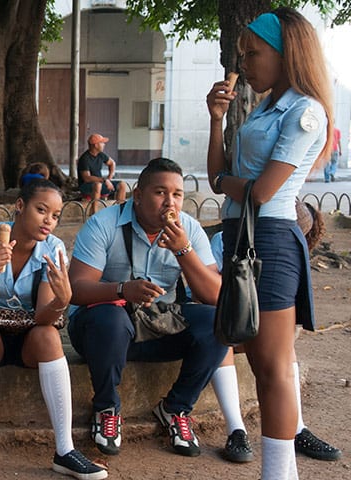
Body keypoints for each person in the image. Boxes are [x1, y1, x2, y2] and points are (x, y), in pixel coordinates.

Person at [206, 8, 334, 479]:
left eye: (254, 53)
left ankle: (280, 474)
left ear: (286, 54)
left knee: (275, 365)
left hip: (272, 241)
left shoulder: (305, 111)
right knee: (261, 364)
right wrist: (217, 120)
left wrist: (224, 180)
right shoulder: (266, 106)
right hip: (243, 238)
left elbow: (262, 193)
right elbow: (222, 174)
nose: (246, 63)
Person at [67, 157, 227, 458]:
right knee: (111, 317)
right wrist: (122, 290)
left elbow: (216, 295)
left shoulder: (188, 229)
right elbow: (75, 289)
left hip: (160, 327)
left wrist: (183, 250)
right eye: (160, 192)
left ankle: (176, 409)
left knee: (218, 321)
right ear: (138, 195)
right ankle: (106, 409)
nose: (170, 202)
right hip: (103, 331)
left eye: (177, 194)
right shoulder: (105, 223)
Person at [0, 179, 107, 480]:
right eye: (41, 210)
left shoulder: (53, 248)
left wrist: (63, 301)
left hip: (30, 336)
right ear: (20, 205)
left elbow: (42, 318)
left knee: (50, 335)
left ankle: (65, 450)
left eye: (55, 215)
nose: (48, 221)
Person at [210, 201, 340, 463]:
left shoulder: (282, 255)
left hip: (257, 324)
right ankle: (237, 430)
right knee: (219, 340)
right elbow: (216, 292)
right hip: (228, 319)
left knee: (283, 347)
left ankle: (298, 428)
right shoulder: (225, 239)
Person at [77, 134, 127, 203]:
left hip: (100, 183)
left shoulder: (100, 155)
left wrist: (109, 178)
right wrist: (104, 180)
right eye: (102, 143)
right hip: (86, 186)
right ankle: (95, 212)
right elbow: (87, 178)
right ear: (96, 145)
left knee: (122, 184)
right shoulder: (84, 159)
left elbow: (112, 163)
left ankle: (120, 210)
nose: (104, 144)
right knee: (98, 185)